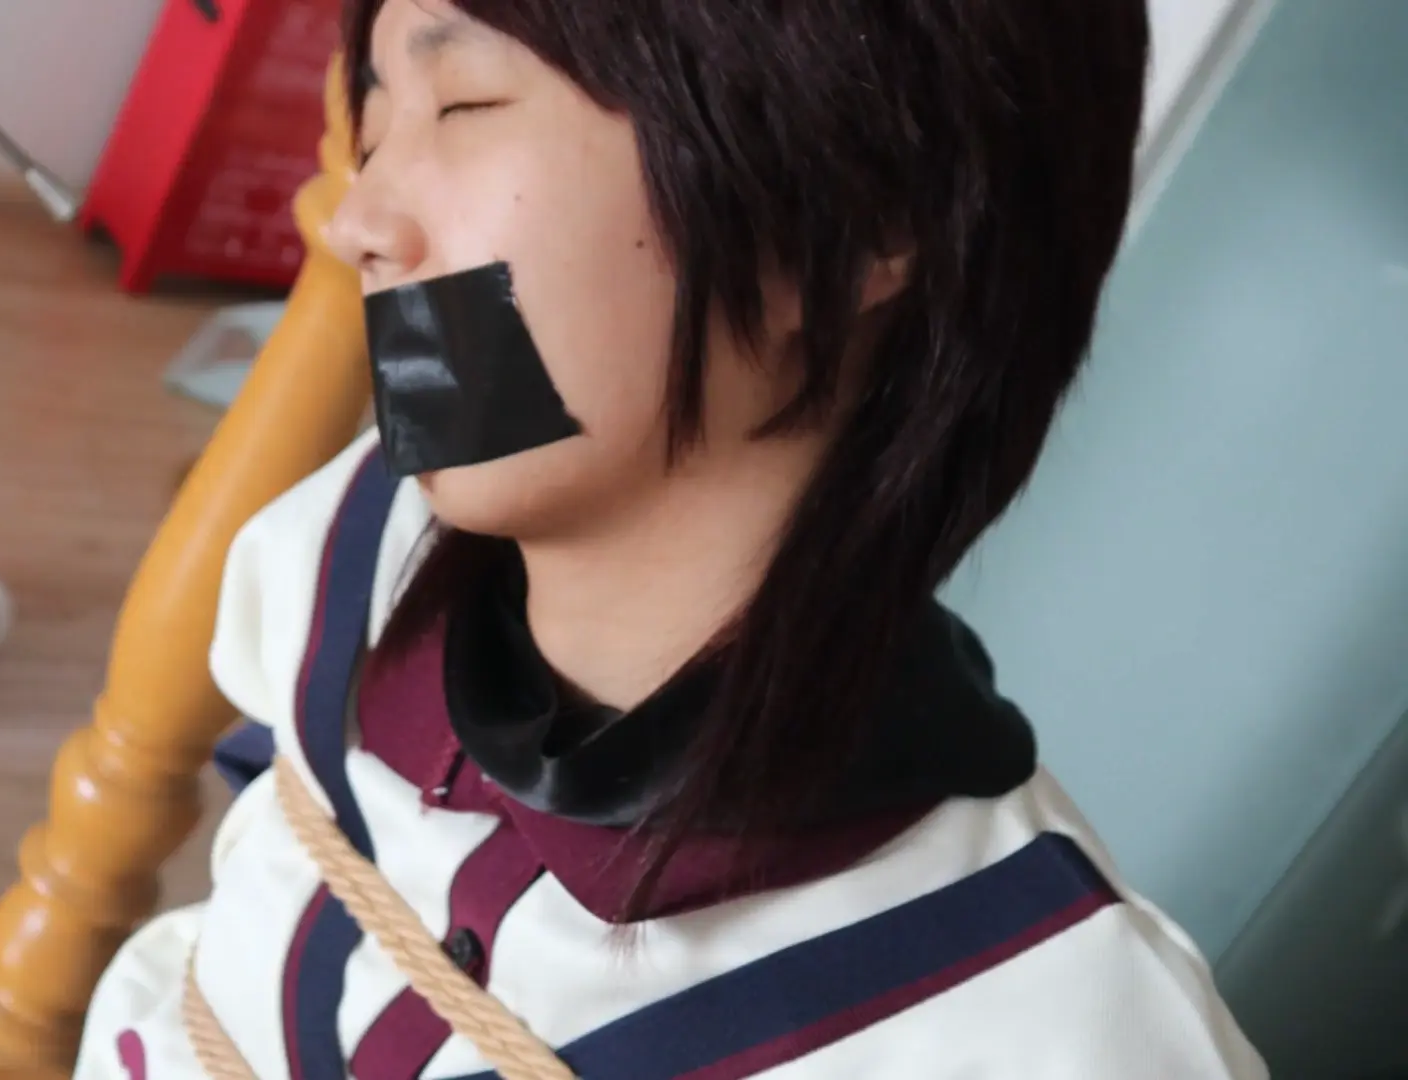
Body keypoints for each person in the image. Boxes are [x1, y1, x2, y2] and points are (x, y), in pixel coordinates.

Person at [75, 0, 1269, 1075]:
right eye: (377, 124)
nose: (358, 221)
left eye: (466, 102)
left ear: (848, 213)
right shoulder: (344, 546)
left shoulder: (1046, 1032)